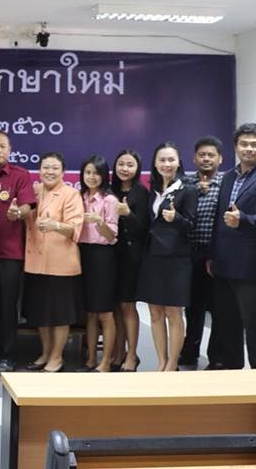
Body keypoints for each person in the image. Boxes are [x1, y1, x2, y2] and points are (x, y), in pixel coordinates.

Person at [209, 123, 256, 369]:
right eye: (244, 144)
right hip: (223, 263)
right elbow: (218, 219)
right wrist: (212, 255)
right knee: (227, 321)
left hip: (251, 265)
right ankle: (233, 369)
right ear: (236, 147)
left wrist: (243, 219)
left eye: (255, 144)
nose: (249, 148)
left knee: (253, 322)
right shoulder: (228, 177)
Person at [137, 142, 197, 372]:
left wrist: (176, 219)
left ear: (178, 161)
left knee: (173, 312)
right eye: (162, 160)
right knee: (155, 312)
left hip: (176, 259)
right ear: (155, 163)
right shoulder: (152, 189)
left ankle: (172, 363)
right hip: (152, 257)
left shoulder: (187, 189)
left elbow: (191, 224)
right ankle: (161, 360)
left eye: (171, 159)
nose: (167, 164)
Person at [22, 152, 84, 373]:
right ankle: (46, 353)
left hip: (61, 264)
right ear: (39, 170)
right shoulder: (33, 191)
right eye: (46, 167)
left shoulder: (71, 194)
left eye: (55, 168)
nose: (50, 172)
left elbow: (75, 229)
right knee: (41, 312)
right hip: (35, 262)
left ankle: (57, 357)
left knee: (60, 315)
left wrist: (55, 226)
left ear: (63, 172)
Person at [0, 130, 36, 375]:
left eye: (2, 146)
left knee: (6, 307)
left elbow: (27, 206)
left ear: (10, 150)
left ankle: (7, 356)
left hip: (9, 254)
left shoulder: (20, 175)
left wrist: (18, 213)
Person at [180, 136, 224, 368]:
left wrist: (215, 255)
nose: (206, 159)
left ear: (220, 159)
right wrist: (195, 192)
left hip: (215, 255)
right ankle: (190, 352)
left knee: (217, 308)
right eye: (202, 155)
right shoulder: (185, 183)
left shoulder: (226, 184)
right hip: (189, 254)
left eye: (211, 155)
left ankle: (216, 357)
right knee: (192, 308)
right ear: (194, 158)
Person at [76, 154, 119, 373]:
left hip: (103, 257)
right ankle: (91, 360)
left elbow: (112, 236)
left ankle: (106, 362)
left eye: (96, 173)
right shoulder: (78, 197)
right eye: (88, 172)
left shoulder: (110, 200)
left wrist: (100, 222)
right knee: (90, 313)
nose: (92, 177)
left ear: (104, 176)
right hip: (82, 254)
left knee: (105, 313)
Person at [110, 149, 148, 372]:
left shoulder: (141, 192)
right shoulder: (110, 190)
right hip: (110, 256)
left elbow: (144, 228)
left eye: (130, 164)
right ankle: (118, 352)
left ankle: (132, 355)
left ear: (137, 168)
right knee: (115, 306)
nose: (125, 168)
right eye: (121, 164)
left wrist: (128, 214)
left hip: (131, 258)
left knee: (127, 306)